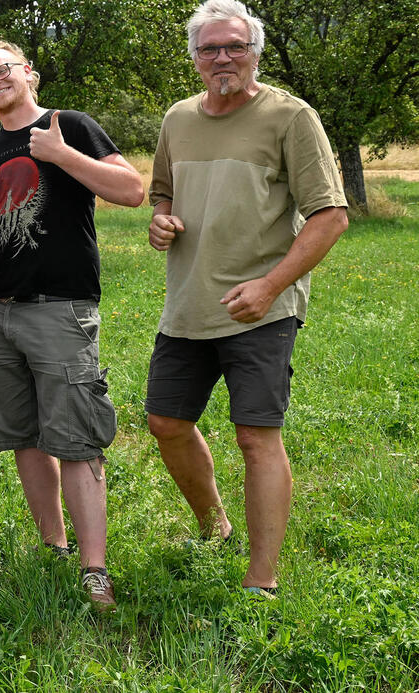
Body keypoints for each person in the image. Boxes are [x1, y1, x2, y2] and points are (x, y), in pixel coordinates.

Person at [146, 0, 348, 599]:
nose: (222, 57)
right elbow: (162, 192)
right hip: (187, 303)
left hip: (261, 305)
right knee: (166, 422)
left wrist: (269, 286)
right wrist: (161, 221)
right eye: (209, 48)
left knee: (255, 435)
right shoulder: (177, 118)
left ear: (255, 51)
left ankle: (262, 577)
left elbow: (330, 216)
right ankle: (215, 526)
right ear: (195, 57)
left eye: (235, 46)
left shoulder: (290, 116)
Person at [0, 42, 145, 608]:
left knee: (77, 437)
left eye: (2, 72)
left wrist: (62, 155)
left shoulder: (70, 127)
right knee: (23, 434)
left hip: (59, 306)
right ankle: (53, 546)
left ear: (29, 74)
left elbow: (131, 191)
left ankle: (94, 567)